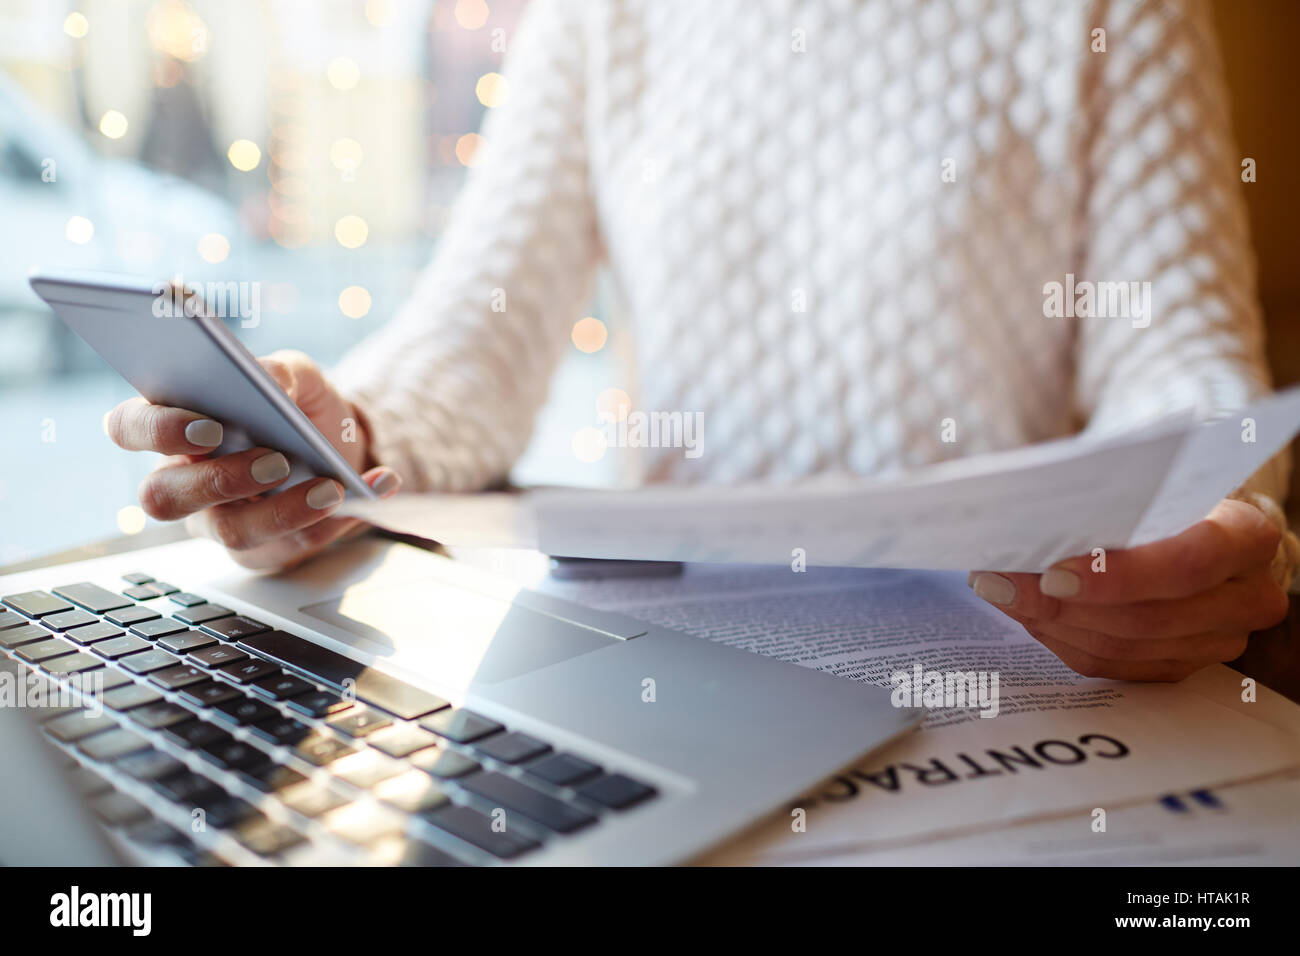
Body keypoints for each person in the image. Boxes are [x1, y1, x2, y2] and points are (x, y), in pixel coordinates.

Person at [103, 0, 1295, 680]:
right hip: (673, 654)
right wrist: (336, 440)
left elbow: (1177, 354)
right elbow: (479, 336)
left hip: (1007, 655)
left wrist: (1197, 525)